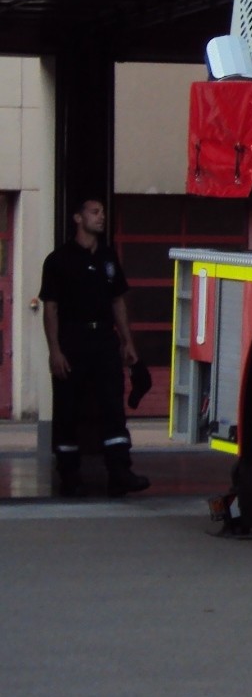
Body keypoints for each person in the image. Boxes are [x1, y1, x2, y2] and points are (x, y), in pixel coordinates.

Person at [39, 198, 148, 497]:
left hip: (104, 341)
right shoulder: (58, 260)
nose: (101, 217)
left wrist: (127, 342)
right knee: (68, 409)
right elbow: (51, 309)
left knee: (113, 406)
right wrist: (55, 351)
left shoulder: (108, 258)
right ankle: (69, 474)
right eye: (94, 212)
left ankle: (119, 472)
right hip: (72, 342)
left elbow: (118, 302)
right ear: (77, 217)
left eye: (103, 212)